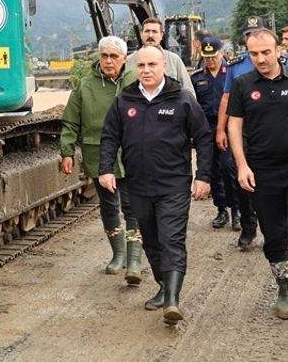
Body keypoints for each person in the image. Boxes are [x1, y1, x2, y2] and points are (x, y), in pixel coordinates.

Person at [99, 45, 213, 326]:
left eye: (152, 65)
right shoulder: (125, 100)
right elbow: (110, 137)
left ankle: (173, 301)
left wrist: (203, 176)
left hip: (173, 184)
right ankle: (164, 287)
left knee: (171, 239)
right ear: (134, 68)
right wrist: (106, 170)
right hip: (138, 185)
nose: (147, 70)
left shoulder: (183, 99)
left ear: (164, 66)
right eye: (141, 66)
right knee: (150, 239)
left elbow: (204, 138)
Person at [226, 28, 288, 327]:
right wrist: (242, 165)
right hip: (261, 172)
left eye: (266, 52)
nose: (260, 59)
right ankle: (285, 289)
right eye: (254, 54)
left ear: (278, 49)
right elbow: (234, 127)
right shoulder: (243, 85)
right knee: (274, 233)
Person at [60, 35, 143, 284]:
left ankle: (135, 258)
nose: (108, 61)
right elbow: (71, 120)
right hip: (97, 155)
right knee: (108, 206)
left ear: (124, 59)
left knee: (132, 206)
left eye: (114, 57)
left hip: (132, 155)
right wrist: (66, 151)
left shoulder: (136, 81)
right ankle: (118, 255)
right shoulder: (85, 86)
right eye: (104, 56)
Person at [214, 18, 267, 249]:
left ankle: (274, 228)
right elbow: (226, 97)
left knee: (269, 181)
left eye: (256, 33)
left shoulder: (280, 61)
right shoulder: (236, 65)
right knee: (242, 179)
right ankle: (248, 226)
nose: (251, 38)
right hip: (242, 130)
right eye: (248, 34)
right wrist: (220, 129)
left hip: (269, 128)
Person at [190, 36, 241, 230]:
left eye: (213, 56)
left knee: (229, 167)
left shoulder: (232, 74)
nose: (210, 60)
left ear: (221, 53)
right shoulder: (197, 78)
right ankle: (221, 209)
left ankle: (236, 209)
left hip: (229, 127)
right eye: (207, 57)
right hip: (205, 129)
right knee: (212, 170)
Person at [127, 17, 192, 88]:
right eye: (147, 31)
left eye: (154, 31)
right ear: (141, 35)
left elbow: (188, 91)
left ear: (161, 35)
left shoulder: (174, 60)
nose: (150, 35)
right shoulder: (129, 61)